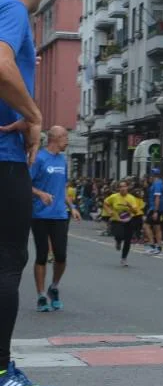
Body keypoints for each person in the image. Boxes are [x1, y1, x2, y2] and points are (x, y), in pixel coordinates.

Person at [0, 0, 60, 386]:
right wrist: (35, 115)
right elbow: (1, 64)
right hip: (4, 158)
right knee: (7, 261)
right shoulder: (12, 9)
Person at [30, 125, 79, 311]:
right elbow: (26, 183)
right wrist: (40, 194)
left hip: (59, 214)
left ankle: (54, 287)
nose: (67, 140)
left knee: (61, 255)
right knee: (42, 255)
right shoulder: (39, 158)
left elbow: (63, 188)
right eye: (65, 136)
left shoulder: (62, 160)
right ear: (55, 138)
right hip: (40, 214)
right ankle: (41, 295)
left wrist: (72, 207)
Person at [104, 180, 144, 266]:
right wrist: (109, 211)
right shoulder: (114, 197)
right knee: (119, 235)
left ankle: (124, 258)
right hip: (117, 220)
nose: (122, 188)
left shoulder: (131, 198)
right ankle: (118, 241)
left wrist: (130, 206)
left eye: (124, 186)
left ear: (127, 187)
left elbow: (135, 211)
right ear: (118, 188)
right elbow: (106, 203)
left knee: (128, 240)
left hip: (128, 220)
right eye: (120, 187)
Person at [143, 167, 163, 254]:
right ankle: (158, 247)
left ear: (153, 176)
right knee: (156, 227)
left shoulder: (157, 184)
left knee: (146, 225)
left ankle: (153, 245)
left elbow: (157, 197)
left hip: (155, 208)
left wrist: (155, 211)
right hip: (155, 208)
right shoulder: (156, 183)